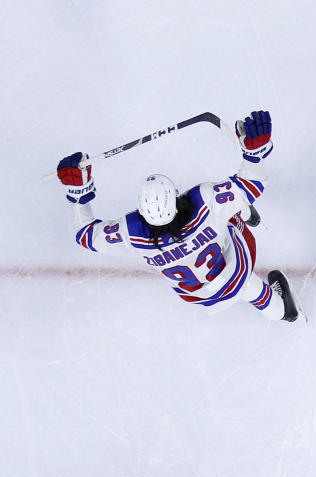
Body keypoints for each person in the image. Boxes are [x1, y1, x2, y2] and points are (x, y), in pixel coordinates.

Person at [55, 110, 302, 322]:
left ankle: (282, 311)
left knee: (237, 281)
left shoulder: (131, 234)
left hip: (197, 295)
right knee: (230, 213)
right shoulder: (204, 201)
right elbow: (253, 183)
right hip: (236, 267)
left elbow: (84, 235)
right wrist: (254, 152)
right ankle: (288, 312)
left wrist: (79, 193)